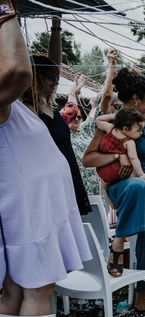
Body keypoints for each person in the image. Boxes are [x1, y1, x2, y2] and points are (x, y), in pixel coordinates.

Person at [0, 11, 90, 317]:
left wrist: (52, 25)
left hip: (24, 205)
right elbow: (19, 71)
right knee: (37, 287)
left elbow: (35, 69)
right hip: (27, 207)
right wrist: (6, 11)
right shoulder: (7, 97)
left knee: (16, 289)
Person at [83, 28, 145, 317]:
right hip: (129, 184)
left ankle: (141, 302)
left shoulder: (142, 119)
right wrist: (117, 155)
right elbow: (89, 159)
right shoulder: (116, 122)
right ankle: (119, 254)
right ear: (135, 98)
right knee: (141, 235)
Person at [22, 54, 91, 216]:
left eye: (57, 78)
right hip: (50, 181)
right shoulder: (28, 111)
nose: (56, 82)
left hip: (67, 174)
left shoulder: (53, 109)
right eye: (51, 78)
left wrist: (74, 92)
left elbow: (72, 108)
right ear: (37, 80)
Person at [95, 108, 145, 214]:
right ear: (126, 129)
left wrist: (116, 117)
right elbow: (134, 159)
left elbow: (98, 120)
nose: (141, 133)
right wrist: (141, 174)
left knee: (103, 188)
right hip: (121, 170)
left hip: (105, 172)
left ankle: (112, 204)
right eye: (138, 130)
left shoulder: (110, 129)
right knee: (144, 183)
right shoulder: (129, 142)